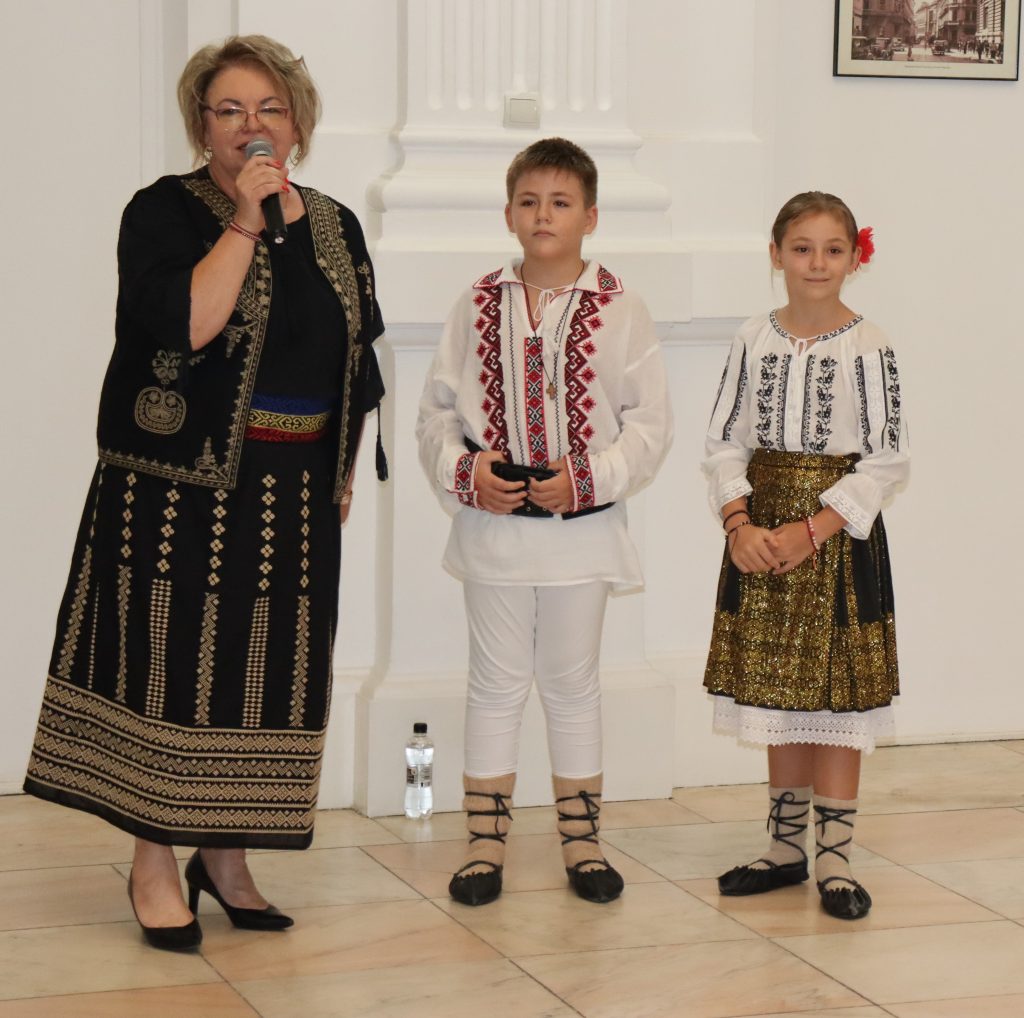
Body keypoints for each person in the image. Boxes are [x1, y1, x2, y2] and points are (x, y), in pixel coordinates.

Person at [23, 35, 386, 951]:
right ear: (202, 126)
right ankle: (153, 860)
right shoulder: (164, 212)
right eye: (230, 111)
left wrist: (343, 466)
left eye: (269, 109)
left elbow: (356, 359)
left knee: (267, 677)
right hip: (179, 489)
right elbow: (188, 323)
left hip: (295, 490)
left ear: (297, 124)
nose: (251, 126)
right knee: (174, 669)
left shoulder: (336, 223)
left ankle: (226, 858)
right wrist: (245, 221)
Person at [416, 138, 671, 907]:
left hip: (581, 535)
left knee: (571, 684)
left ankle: (582, 844)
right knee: (494, 683)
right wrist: (467, 473)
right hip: (494, 532)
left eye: (560, 202)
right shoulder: (477, 303)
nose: (543, 215)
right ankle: (484, 846)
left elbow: (650, 426)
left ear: (590, 216)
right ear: (508, 214)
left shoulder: (622, 308)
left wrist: (586, 480)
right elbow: (436, 414)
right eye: (529, 201)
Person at [702, 192, 908, 921]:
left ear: (855, 258)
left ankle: (837, 860)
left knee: (836, 698)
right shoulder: (751, 338)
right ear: (776, 254)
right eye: (801, 247)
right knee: (775, 694)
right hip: (759, 533)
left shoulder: (869, 345)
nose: (816, 263)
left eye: (832, 249)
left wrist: (813, 529)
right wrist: (740, 525)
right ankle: (785, 849)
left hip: (837, 540)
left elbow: (887, 459)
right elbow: (724, 440)